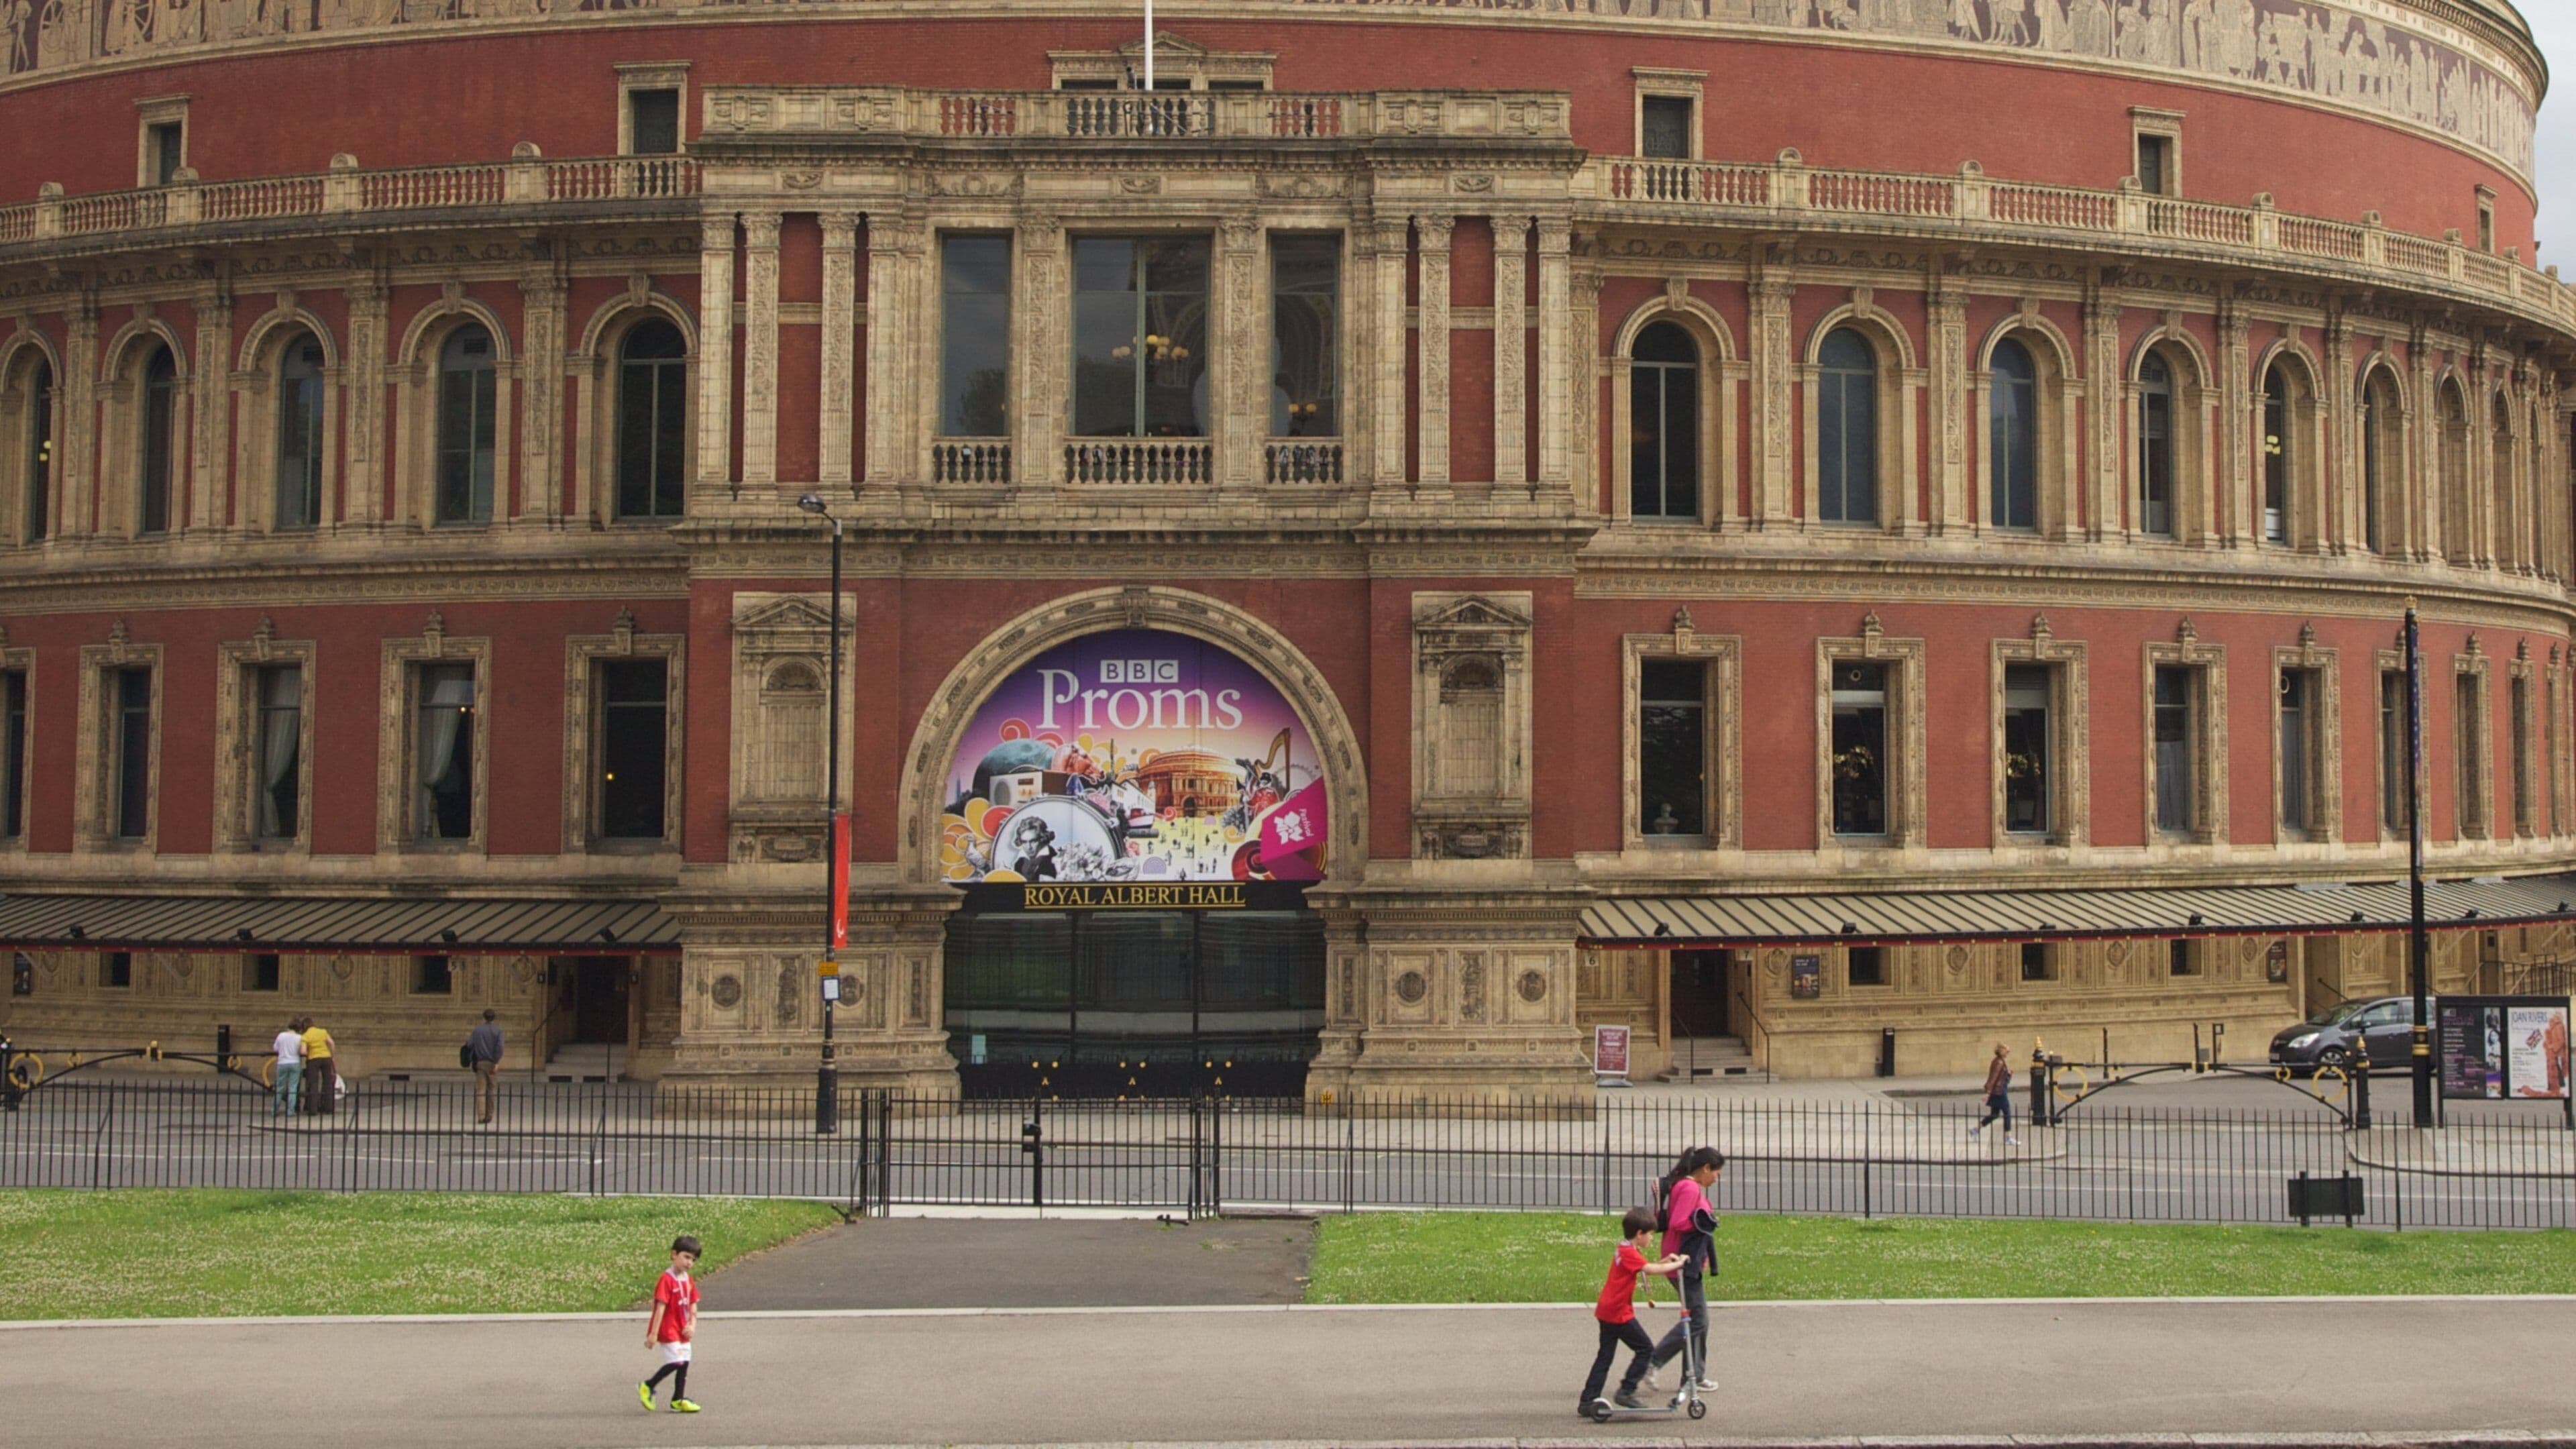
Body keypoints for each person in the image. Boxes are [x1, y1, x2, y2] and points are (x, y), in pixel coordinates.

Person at [1577, 1207, 1683, 1418]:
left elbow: (1645, 1267)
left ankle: (1588, 1400)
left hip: (1607, 1310)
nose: (1652, 1238)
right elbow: (1649, 1270)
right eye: (1650, 1234)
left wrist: (1665, 1262)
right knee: (1646, 1349)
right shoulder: (1629, 1253)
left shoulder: (1625, 1249)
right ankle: (1627, 1390)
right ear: (1639, 1234)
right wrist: (1679, 1263)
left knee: (1604, 1357)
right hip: (1618, 1313)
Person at [1647, 1146, 1723, 1393]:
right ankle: (1653, 1361)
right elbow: (1680, 1221)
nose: (1717, 1178)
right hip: (1681, 1263)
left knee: (1701, 1320)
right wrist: (1702, 1222)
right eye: (1717, 1173)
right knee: (1697, 1321)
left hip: (1686, 1262)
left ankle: (1694, 1376)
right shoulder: (1690, 1187)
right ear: (1706, 1168)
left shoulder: (1687, 1186)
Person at [639, 1234, 704, 1414]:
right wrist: (653, 1334)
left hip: (683, 1328)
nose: (689, 1263)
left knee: (685, 1363)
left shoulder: (688, 1280)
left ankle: (678, 1399)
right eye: (686, 1257)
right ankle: (647, 1386)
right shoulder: (666, 1279)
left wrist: (692, 1326)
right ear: (674, 1255)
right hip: (669, 1329)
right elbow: (660, 1308)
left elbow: (693, 1304)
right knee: (676, 1361)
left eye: (693, 1259)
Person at [1968, 1042, 2019, 1146]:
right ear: (2001, 1051)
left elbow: (1998, 1076)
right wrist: (1988, 1092)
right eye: (2006, 1050)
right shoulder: (1999, 1063)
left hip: (1997, 1091)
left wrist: (2007, 1073)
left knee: (1994, 1114)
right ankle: (2008, 1137)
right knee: (2007, 1113)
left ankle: (1975, 1129)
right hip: (1999, 1092)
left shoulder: (1998, 1061)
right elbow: (1993, 1078)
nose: (2008, 1052)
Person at [468, 1009, 504, 1125]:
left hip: (480, 1062)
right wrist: (497, 1061)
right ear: (494, 1018)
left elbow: (469, 1044)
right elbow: (500, 1048)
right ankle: (489, 1115)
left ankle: (481, 1115)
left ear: (484, 1017)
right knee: (492, 1090)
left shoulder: (477, 1030)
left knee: (481, 1090)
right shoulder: (498, 1031)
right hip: (492, 1063)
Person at [299, 1017, 337, 1116]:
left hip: (313, 1060)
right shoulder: (322, 1032)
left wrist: (309, 1053)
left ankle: (313, 1110)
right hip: (326, 1058)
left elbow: (303, 1051)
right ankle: (329, 1108)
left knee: (313, 1084)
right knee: (328, 1083)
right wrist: (332, 1056)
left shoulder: (305, 1036)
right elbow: (332, 1043)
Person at [270, 1018, 304, 1117]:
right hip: (295, 1062)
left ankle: (274, 1110)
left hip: (282, 1063)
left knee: (280, 1087)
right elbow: (301, 1050)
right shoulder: (299, 1038)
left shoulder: (281, 1035)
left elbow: (275, 1048)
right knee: (293, 1088)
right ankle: (290, 1111)